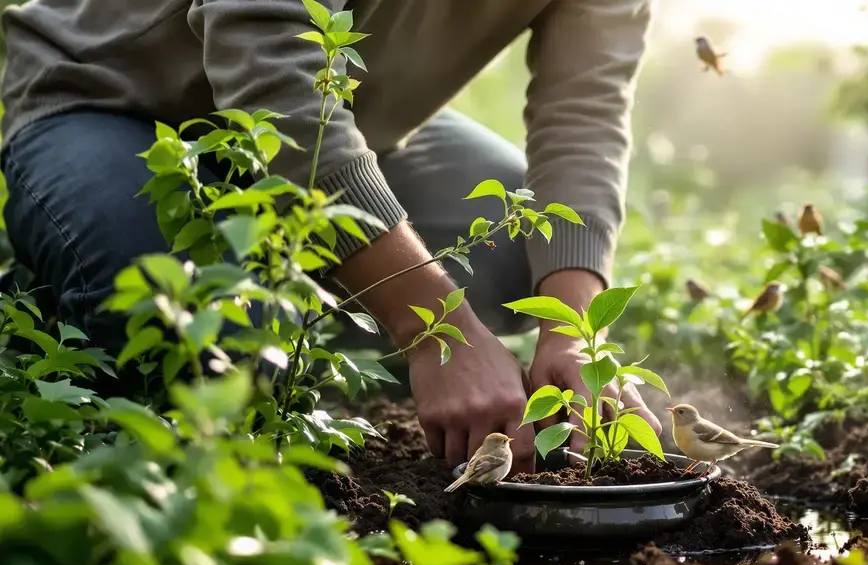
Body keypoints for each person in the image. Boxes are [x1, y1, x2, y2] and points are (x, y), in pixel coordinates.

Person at [0, 0, 662, 474]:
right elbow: (267, 59)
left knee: (520, 244)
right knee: (197, 328)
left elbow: (585, 116)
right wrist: (435, 326)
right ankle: (207, 307)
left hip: (348, 120)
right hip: (115, 100)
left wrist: (574, 330)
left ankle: (296, 304)